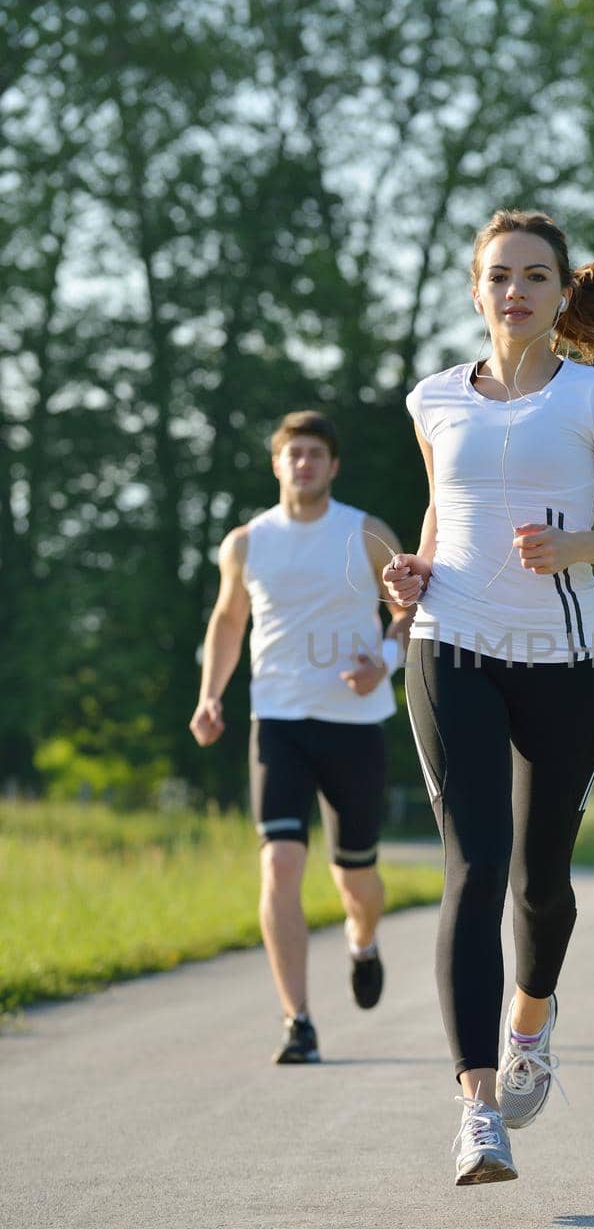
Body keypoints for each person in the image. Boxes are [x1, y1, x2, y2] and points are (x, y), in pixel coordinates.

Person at [382, 210, 594, 1184]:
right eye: (499, 274)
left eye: (535, 275)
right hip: (451, 647)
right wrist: (412, 574)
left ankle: (532, 1020)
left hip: (567, 654)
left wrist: (580, 547)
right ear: (475, 291)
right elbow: (441, 512)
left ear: (563, 294)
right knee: (475, 866)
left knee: (540, 879)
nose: (515, 289)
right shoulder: (432, 399)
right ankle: (478, 1109)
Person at [190, 410, 411, 1065]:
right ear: (277, 464)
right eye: (294, 454)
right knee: (280, 860)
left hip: (353, 725)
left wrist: (385, 664)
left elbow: (408, 609)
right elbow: (229, 622)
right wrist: (209, 696)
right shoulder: (246, 543)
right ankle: (298, 1022)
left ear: (333, 465)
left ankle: (363, 941)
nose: (305, 464)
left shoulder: (366, 534)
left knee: (357, 879)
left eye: (316, 454)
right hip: (277, 720)